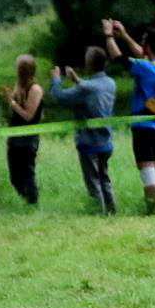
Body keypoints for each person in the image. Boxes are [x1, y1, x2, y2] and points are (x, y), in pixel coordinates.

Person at [104, 20, 155, 214]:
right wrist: (125, 35)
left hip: (142, 127)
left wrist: (109, 35)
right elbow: (140, 54)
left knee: (147, 171)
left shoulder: (145, 68)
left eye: (144, 42)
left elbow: (118, 57)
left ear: (149, 46)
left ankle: (150, 210)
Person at [50, 46, 118, 213]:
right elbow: (91, 89)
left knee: (93, 181)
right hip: (106, 141)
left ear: (89, 62)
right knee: (104, 178)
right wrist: (78, 80)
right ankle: (112, 211)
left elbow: (60, 96)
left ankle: (98, 213)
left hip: (89, 142)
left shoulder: (85, 88)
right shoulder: (110, 83)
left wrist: (56, 79)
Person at [1, 53, 45, 206]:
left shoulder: (35, 89)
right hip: (14, 135)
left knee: (27, 174)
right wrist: (12, 99)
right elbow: (14, 111)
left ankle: (33, 204)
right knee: (14, 176)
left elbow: (28, 115)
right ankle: (26, 199)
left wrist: (12, 102)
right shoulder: (18, 85)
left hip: (28, 138)